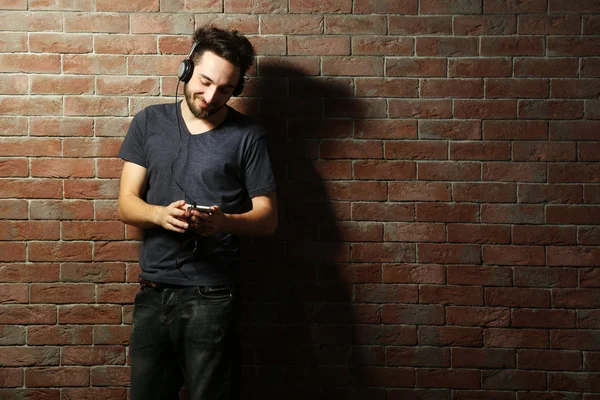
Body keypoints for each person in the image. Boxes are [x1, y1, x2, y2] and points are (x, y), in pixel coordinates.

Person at [117, 26, 277, 400]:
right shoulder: (149, 122)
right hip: (153, 291)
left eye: (225, 89)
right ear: (186, 70)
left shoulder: (248, 135)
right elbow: (126, 203)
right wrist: (159, 215)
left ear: (237, 89)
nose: (210, 96)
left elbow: (268, 218)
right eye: (204, 82)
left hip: (212, 294)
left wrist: (224, 222)